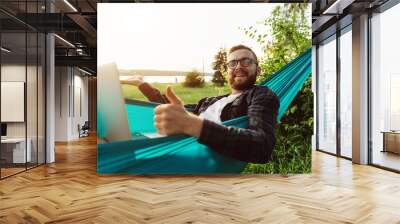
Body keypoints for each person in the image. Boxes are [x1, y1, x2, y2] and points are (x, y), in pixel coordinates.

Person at [121, 44, 280, 163]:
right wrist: (142, 84)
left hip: (184, 154)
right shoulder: (210, 101)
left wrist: (191, 124)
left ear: (257, 70)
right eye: (233, 63)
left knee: (114, 151)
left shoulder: (260, 95)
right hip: (165, 142)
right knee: (108, 138)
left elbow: (262, 147)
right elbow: (176, 113)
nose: (238, 66)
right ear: (227, 72)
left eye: (246, 61)